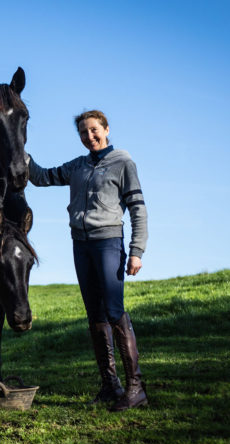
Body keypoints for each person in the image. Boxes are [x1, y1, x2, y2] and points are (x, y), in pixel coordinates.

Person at [27, 109, 148, 412]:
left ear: (106, 129)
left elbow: (138, 209)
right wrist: (19, 151)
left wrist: (136, 251)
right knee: (95, 316)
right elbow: (42, 177)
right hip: (80, 244)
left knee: (114, 310)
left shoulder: (123, 162)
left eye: (94, 130)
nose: (89, 136)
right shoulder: (78, 165)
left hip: (109, 243)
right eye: (83, 132)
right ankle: (110, 385)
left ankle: (136, 388)